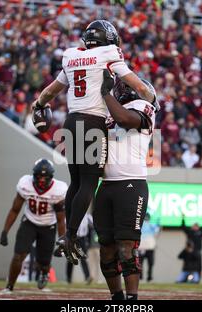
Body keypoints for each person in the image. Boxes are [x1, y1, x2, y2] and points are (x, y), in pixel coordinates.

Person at [31, 20, 158, 264]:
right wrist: (153, 97)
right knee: (89, 183)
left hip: (71, 122)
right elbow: (137, 85)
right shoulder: (109, 53)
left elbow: (48, 93)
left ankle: (67, 234)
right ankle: (69, 236)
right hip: (92, 124)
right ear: (109, 39)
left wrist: (39, 106)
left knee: (76, 182)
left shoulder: (71, 56)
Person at [91, 70, 158, 300]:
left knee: (126, 247)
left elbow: (125, 119)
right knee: (106, 249)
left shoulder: (144, 107)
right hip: (106, 184)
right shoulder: (109, 112)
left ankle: (132, 299)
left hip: (131, 183)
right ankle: (116, 297)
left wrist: (105, 93)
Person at [0, 159, 67, 294]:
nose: (41, 180)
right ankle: (9, 286)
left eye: (44, 177)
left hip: (49, 226)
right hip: (29, 222)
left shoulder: (59, 190)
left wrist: (62, 241)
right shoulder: (25, 184)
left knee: (43, 263)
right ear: (33, 176)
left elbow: (60, 219)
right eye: (39, 176)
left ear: (51, 177)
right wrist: (5, 231)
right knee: (18, 255)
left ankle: (44, 273)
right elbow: (15, 209)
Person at [180, 215, 202, 280]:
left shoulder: (200, 232)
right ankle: (184, 278)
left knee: (198, 266)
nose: (195, 227)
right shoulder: (189, 232)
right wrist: (183, 218)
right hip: (189, 252)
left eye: (197, 226)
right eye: (194, 226)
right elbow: (183, 227)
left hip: (197, 252)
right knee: (187, 266)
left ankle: (197, 278)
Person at [66, 213, 91, 284]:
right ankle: (68, 278)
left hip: (82, 239)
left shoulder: (87, 216)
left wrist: (88, 242)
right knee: (71, 258)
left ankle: (87, 277)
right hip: (73, 239)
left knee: (83, 257)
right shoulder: (71, 214)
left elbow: (91, 228)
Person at [138, 212, 160, 282]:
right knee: (150, 263)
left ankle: (141, 277)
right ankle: (149, 277)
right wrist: (158, 224)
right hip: (149, 247)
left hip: (142, 247)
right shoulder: (151, 225)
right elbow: (157, 231)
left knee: (141, 263)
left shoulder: (140, 225)